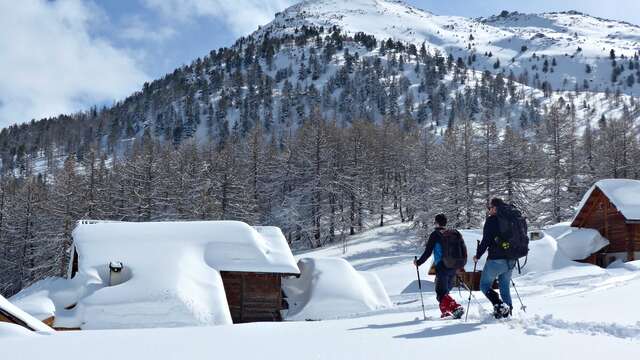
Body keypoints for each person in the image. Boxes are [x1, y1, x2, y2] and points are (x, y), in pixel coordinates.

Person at [414, 214, 465, 318]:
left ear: (437, 223)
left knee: (441, 294)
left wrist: (418, 262)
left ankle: (455, 308)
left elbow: (428, 252)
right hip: (454, 267)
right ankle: (445, 313)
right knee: (444, 292)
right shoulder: (454, 233)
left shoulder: (435, 235)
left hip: (442, 267)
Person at [473, 198, 515, 319]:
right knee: (504, 286)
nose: (488, 210)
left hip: (496, 259)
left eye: (489, 207)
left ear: (495, 208)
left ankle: (500, 306)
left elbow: (486, 240)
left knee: (484, 285)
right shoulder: (511, 219)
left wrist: (478, 255)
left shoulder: (491, 221)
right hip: (511, 259)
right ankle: (507, 312)